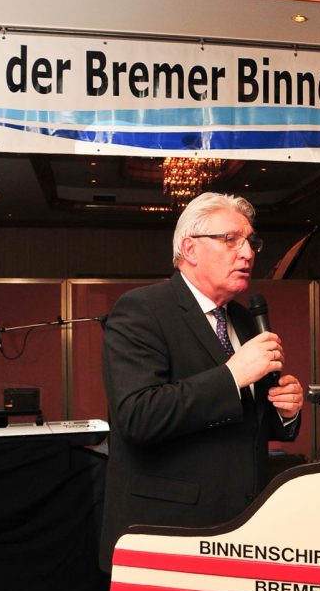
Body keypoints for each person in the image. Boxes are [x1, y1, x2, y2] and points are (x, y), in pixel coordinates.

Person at [99, 191, 304, 570]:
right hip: (169, 529)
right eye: (231, 240)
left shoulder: (243, 319)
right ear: (190, 249)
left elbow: (248, 421)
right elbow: (138, 417)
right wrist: (233, 375)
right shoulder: (142, 309)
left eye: (251, 242)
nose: (247, 253)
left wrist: (285, 410)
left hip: (244, 525)